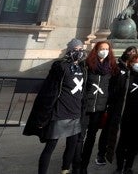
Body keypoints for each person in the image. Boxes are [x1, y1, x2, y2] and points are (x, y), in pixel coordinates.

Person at [24, 38, 87, 174]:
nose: (79, 52)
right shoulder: (60, 66)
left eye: (81, 49)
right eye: (75, 50)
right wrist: (42, 116)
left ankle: (65, 170)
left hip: (75, 111)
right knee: (50, 145)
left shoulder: (82, 68)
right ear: (69, 51)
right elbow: (49, 90)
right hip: (60, 112)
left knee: (72, 145)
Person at [78, 41, 120, 172]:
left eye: (107, 49)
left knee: (91, 137)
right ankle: (75, 163)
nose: (104, 51)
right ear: (96, 50)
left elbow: (114, 87)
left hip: (100, 108)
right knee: (79, 137)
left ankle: (83, 165)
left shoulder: (111, 67)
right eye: (102, 48)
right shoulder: (86, 65)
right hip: (85, 107)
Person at [111, 53, 138, 173]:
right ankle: (119, 166)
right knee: (123, 142)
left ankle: (129, 166)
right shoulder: (125, 76)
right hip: (126, 114)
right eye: (136, 62)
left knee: (134, 143)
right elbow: (117, 94)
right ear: (130, 63)